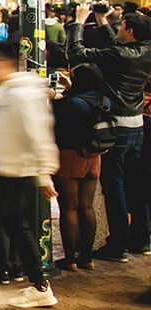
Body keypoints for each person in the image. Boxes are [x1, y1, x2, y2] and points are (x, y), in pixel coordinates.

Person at [66, 4, 151, 262]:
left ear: (131, 30)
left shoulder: (122, 55)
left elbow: (76, 52)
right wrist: (102, 20)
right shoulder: (144, 50)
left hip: (119, 127)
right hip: (138, 126)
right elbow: (117, 47)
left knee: (114, 188)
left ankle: (118, 246)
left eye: (121, 25)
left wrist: (78, 22)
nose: (118, 28)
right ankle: (141, 240)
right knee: (136, 186)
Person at [0, 42, 59, 305]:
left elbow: (37, 134)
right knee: (8, 225)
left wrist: (44, 174)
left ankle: (39, 286)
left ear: (6, 63)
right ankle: (29, 281)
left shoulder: (21, 94)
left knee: (16, 228)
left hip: (15, 173)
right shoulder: (0, 92)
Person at [51, 63, 108, 271]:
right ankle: (86, 257)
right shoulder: (104, 100)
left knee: (69, 207)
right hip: (93, 157)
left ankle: (70, 259)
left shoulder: (72, 103)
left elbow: (58, 125)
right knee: (86, 207)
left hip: (70, 157)